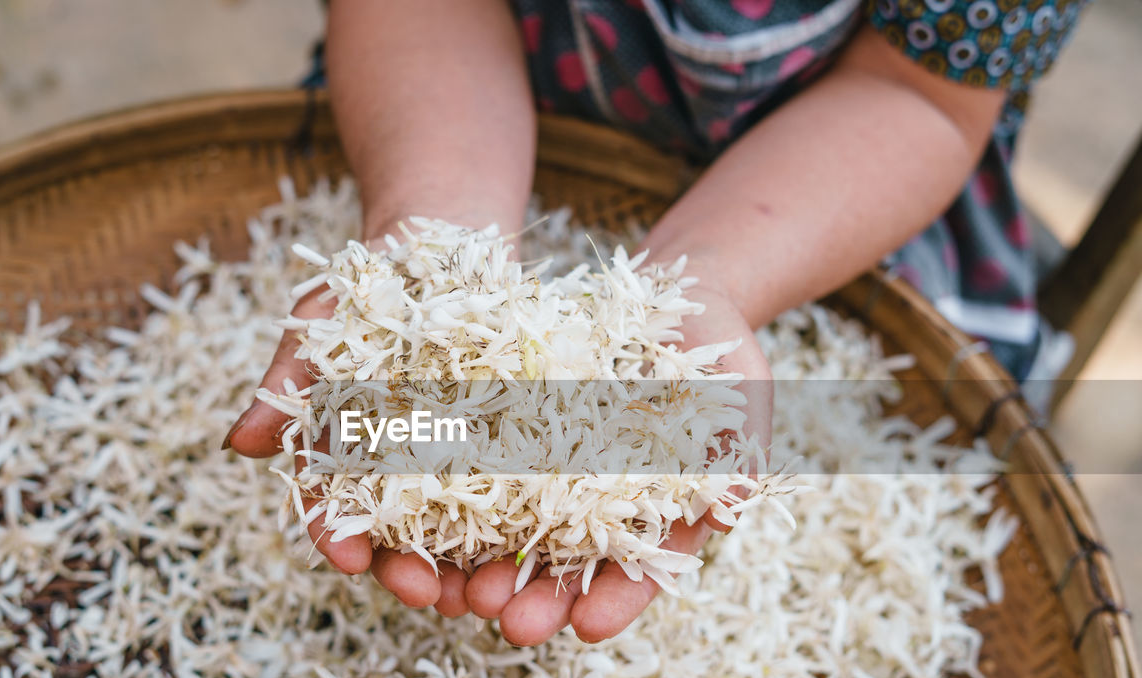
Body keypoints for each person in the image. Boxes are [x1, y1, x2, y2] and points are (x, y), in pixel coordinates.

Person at [223, 0, 1085, 645]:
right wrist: (431, 239)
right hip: (446, 101)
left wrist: (697, 289)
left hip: (829, 198)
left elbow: (920, 94)